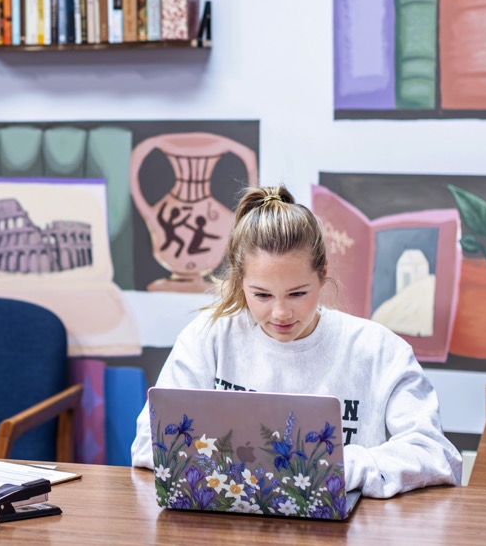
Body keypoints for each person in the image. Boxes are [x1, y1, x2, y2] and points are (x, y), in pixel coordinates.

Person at [130, 185, 462, 498]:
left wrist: (345, 467)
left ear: (322, 274)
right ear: (239, 281)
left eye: (298, 293)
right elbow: (148, 443)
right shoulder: (210, 336)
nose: (280, 312)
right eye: (261, 294)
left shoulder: (378, 350)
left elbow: (437, 454)